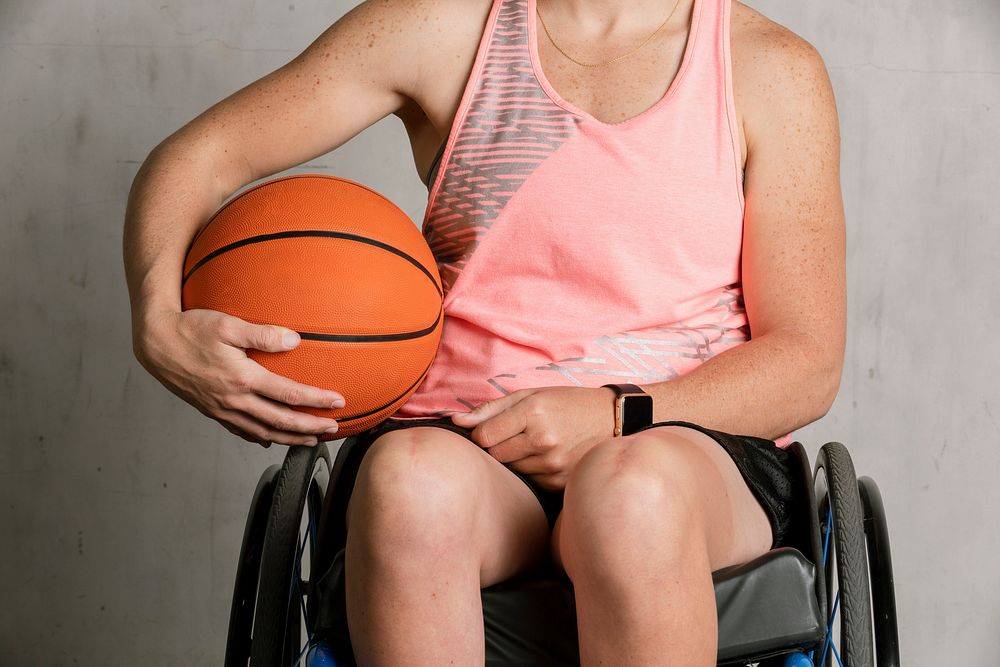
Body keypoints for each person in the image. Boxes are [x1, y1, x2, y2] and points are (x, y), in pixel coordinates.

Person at [123, 0, 845, 663]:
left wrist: (619, 412)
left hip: (683, 447)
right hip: (470, 441)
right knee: (407, 483)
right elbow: (200, 156)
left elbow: (808, 361)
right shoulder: (447, 27)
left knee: (628, 495)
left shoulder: (766, 66)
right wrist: (157, 318)